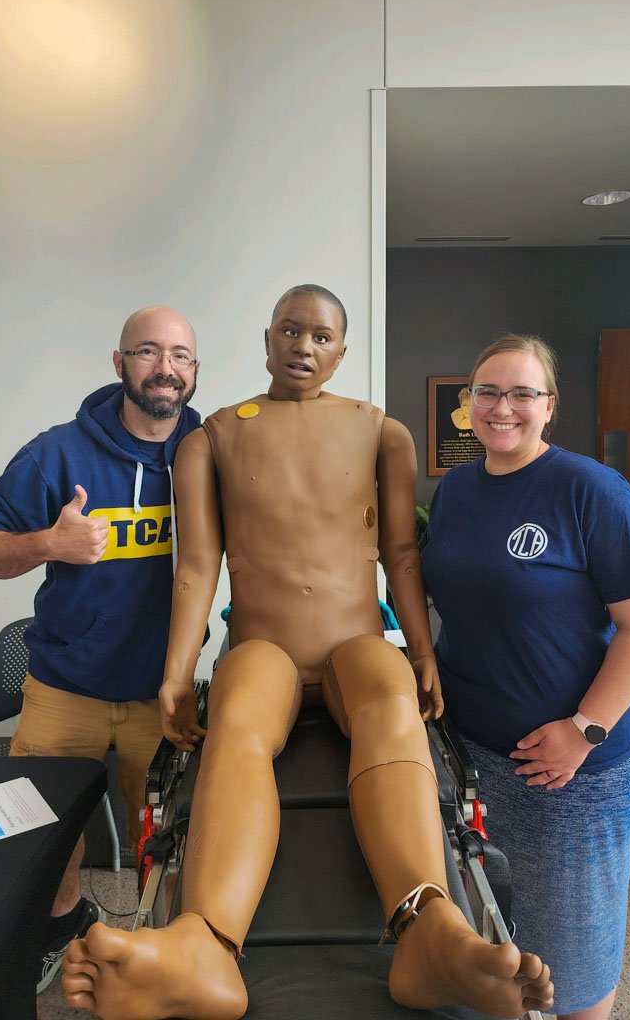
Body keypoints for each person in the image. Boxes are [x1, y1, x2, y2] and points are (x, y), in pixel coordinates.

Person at [62, 286, 554, 1020]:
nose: (303, 347)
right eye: (290, 331)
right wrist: (174, 676)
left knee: (392, 703)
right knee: (234, 724)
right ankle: (206, 946)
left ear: (342, 352)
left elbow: (400, 555)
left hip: (358, 642)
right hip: (266, 646)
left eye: (322, 337)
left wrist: (420, 650)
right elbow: (195, 567)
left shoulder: (380, 432)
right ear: (266, 338)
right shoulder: (212, 439)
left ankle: (430, 932)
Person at [420, 333, 630, 1020]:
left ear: (550, 406)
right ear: (467, 406)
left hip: (569, 767)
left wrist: (584, 730)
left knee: (573, 954)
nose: (503, 408)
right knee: (490, 931)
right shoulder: (458, 490)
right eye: (487, 393)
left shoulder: (591, 490)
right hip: (470, 747)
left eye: (522, 393)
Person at [0, 306, 202, 993]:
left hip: (166, 692)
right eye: (148, 351)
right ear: (119, 362)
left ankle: (161, 955)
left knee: (175, 839)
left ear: (194, 369)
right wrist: (49, 544)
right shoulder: (58, 452)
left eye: (181, 355)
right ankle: (62, 926)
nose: (165, 367)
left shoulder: (210, 451)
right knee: (46, 835)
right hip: (65, 685)